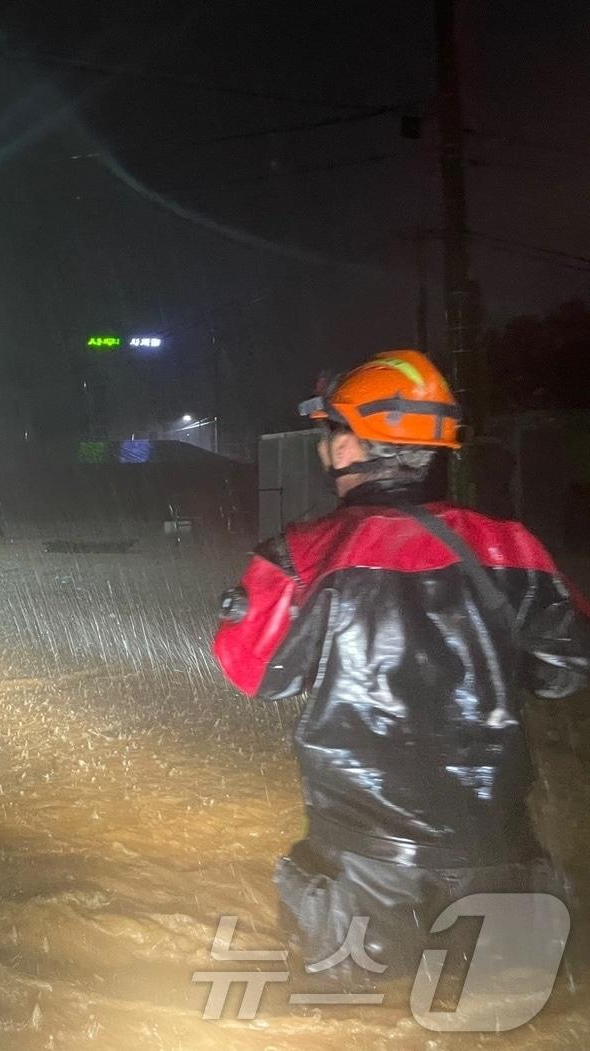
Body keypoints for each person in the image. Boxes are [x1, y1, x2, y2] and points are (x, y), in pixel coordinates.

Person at [213, 349, 590, 984]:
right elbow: (566, 670)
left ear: (350, 448)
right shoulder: (515, 547)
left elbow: (252, 673)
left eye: (331, 432)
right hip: (503, 865)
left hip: (362, 881)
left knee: (344, 1020)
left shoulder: (301, 556)